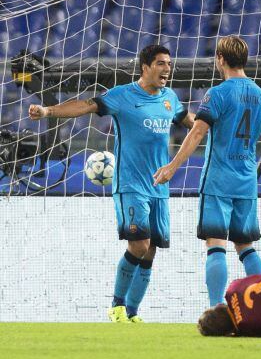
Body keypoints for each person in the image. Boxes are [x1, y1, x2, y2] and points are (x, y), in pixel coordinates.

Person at [29, 44, 194, 323]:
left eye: (169, 63)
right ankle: (117, 305)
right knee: (139, 245)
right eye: (161, 64)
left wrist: (214, 128)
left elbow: (191, 122)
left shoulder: (170, 99)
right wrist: (47, 111)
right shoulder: (122, 96)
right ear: (145, 67)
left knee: (151, 249)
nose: (167, 69)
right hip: (130, 184)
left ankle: (131, 313)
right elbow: (85, 105)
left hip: (159, 187)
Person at [152, 36, 261, 307]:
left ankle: (215, 308)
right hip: (247, 182)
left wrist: (173, 166)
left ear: (220, 59)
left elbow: (197, 132)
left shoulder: (217, 94)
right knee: (245, 246)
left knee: (216, 243)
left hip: (218, 181)